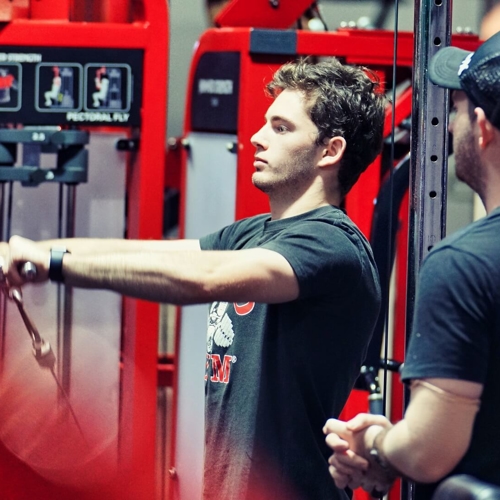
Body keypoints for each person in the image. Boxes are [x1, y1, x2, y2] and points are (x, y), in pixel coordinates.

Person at [0, 57, 386, 500]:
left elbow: (203, 278)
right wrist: (26, 251)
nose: (257, 137)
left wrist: (52, 264)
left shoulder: (332, 244)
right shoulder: (251, 234)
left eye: (281, 128)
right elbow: (141, 253)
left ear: (329, 151)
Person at [323, 32, 500, 499]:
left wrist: (374, 444)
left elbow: (427, 450)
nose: (450, 126)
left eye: (457, 110)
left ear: (482, 128)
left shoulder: (465, 266)